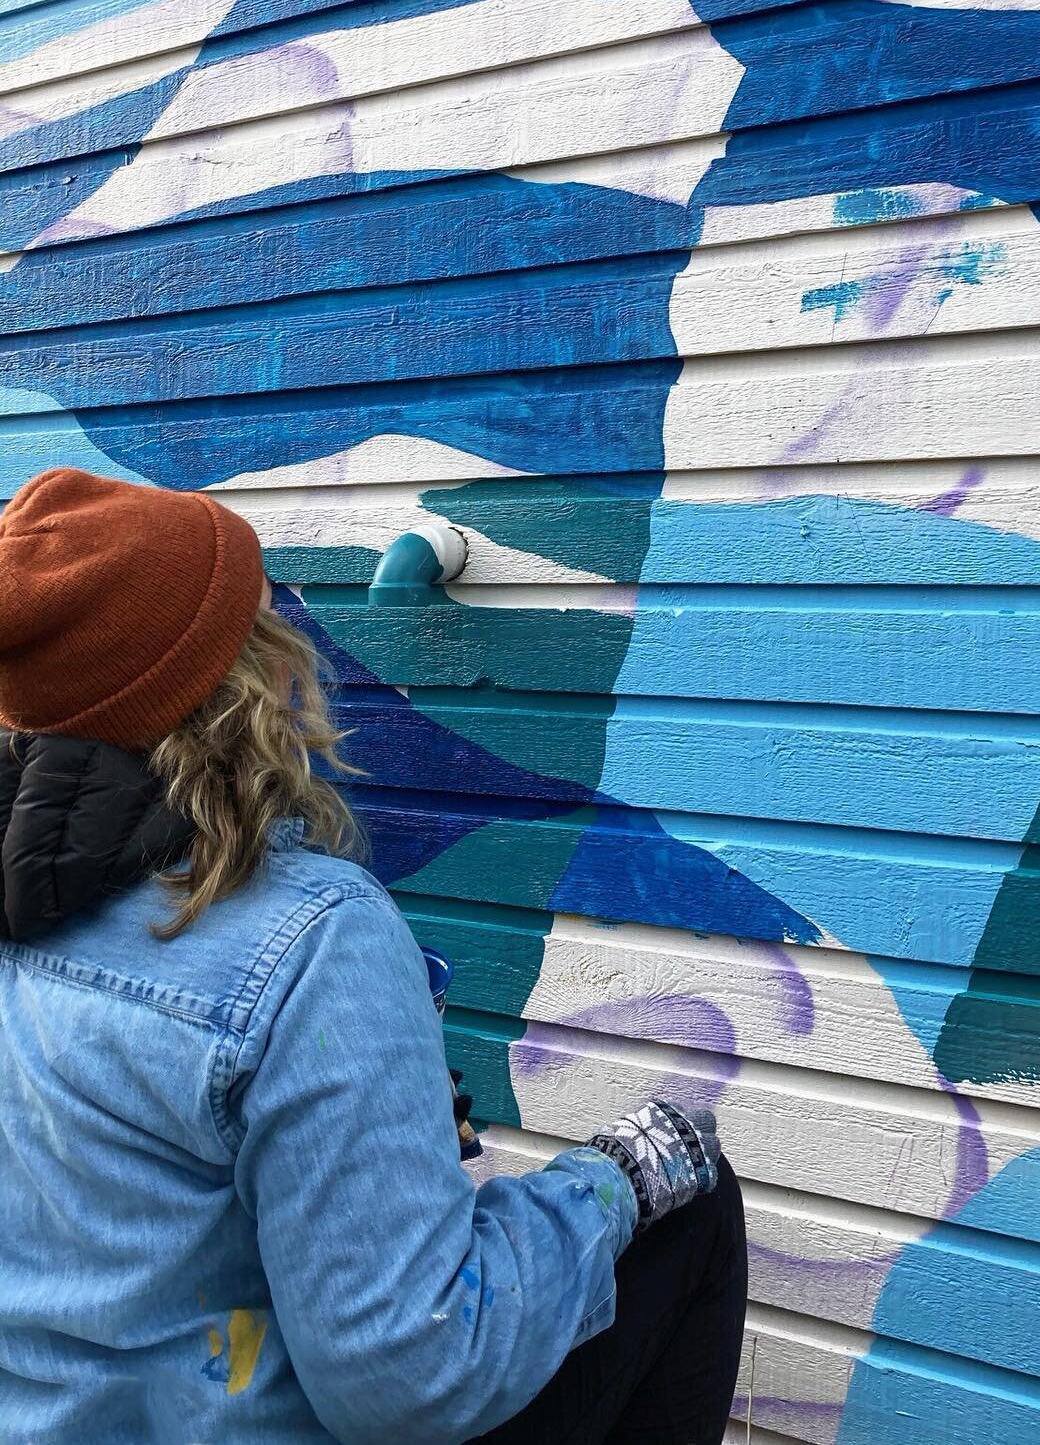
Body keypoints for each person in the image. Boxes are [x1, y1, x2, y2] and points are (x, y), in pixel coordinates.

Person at [0, 468, 747, 1444]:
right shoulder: (307, 937)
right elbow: (409, 1374)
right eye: (260, 616)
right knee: (692, 1208)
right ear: (235, 680)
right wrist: (610, 1183)